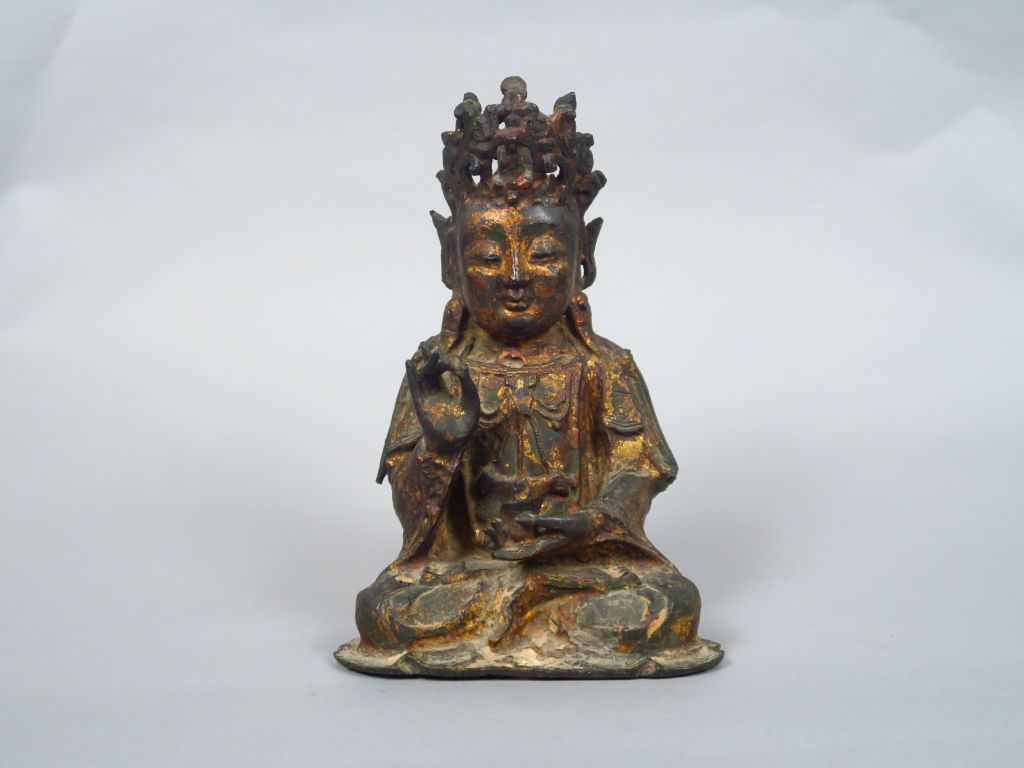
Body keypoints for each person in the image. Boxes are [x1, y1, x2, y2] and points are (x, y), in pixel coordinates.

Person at [335, 77, 722, 677]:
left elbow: (637, 471)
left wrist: (589, 523)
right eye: (488, 256)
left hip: (583, 567)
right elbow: (412, 514)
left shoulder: (604, 365)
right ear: (450, 259)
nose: (515, 276)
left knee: (668, 604)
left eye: (543, 254)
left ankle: (522, 613)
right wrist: (440, 447)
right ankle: (521, 613)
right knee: (388, 611)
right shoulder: (438, 370)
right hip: (469, 571)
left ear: (584, 256)